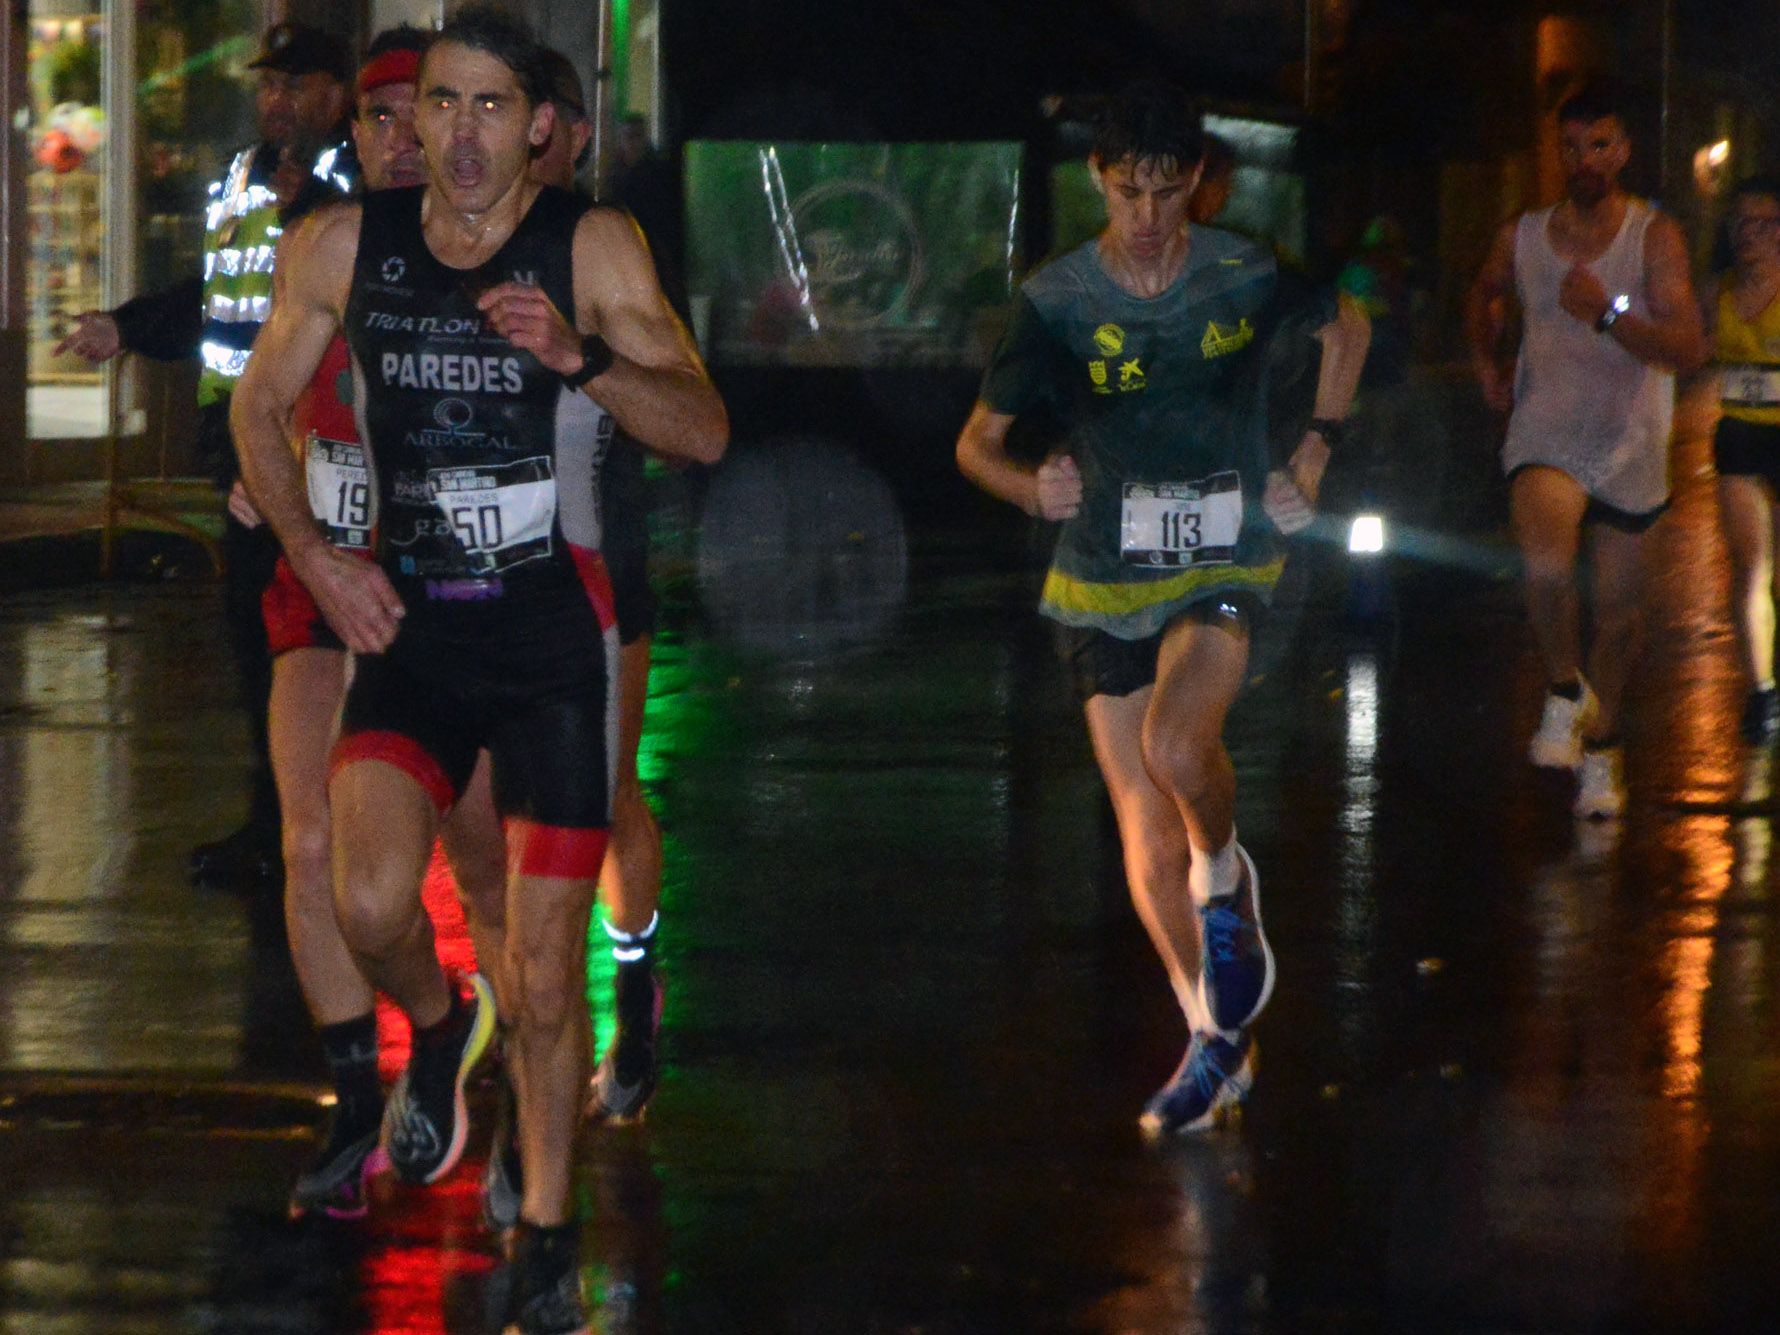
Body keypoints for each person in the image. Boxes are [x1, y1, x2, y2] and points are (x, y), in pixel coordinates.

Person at [229, 8, 726, 1331]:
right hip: (417, 636)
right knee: (364, 891)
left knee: (551, 973)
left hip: (553, 643)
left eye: (489, 106)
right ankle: (442, 1023)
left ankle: (549, 1227)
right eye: (438, 103)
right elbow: (256, 404)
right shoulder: (345, 243)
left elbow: (704, 427)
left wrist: (582, 357)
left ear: (540, 127)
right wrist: (315, 556)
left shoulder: (591, 245)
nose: (457, 132)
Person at [954, 81, 1368, 1138]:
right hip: (1101, 578)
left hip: (1223, 556)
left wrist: (1313, 452)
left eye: (1166, 192)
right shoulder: (1057, 300)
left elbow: (1348, 328)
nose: (1146, 216)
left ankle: (1225, 883)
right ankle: (1212, 1038)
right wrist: (1028, 488)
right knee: (1142, 824)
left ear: (1196, 182)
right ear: (1098, 178)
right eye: (1127, 192)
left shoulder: (1243, 272)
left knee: (1178, 747)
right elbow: (975, 445)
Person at [266, 24, 511, 1224]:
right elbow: (263, 400)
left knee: (486, 857)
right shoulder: (317, 248)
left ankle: (511, 1099)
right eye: (382, 117)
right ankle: (361, 1099)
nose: (407, 139)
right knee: (310, 846)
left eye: (430, 114)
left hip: (456, 598)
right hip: (324, 589)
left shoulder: (504, 248)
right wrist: (277, 497)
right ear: (355, 135)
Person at [56, 21, 355, 890]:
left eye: (296, 84)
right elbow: (213, 297)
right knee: (259, 642)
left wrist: (315, 201)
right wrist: (125, 327)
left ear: (336, 93)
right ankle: (278, 824)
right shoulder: (239, 174)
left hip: (320, 449)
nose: (277, 100)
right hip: (241, 442)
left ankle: (327, 831)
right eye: (269, 84)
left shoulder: (359, 175)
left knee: (317, 646)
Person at [1467, 83, 1707, 819]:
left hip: (1631, 443)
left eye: (1599, 145)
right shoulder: (1523, 234)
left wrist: (1607, 315)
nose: (1584, 161)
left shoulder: (1653, 237)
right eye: (1571, 147)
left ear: (1623, 151)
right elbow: (1484, 291)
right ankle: (1564, 689)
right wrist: (1486, 361)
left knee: (1621, 622)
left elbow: (1688, 347)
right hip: (1547, 429)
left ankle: (1602, 748)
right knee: (1543, 555)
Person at [1707, 175, 1780, 745]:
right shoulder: (1717, 292)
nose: (1750, 234)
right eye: (1741, 223)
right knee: (1751, 567)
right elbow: (1686, 349)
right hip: (1739, 436)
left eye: (1764, 224)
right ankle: (1762, 692)